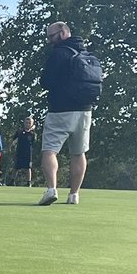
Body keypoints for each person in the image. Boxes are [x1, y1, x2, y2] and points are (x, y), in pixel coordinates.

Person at [38, 21, 101, 206]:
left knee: (49, 151)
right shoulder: (87, 54)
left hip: (60, 110)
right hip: (85, 110)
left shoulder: (59, 53)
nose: (50, 41)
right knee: (79, 152)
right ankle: (74, 195)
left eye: (52, 36)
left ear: (63, 32)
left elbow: (46, 81)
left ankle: (51, 189)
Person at [12, 116, 35, 187]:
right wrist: (11, 146)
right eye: (26, 123)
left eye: (29, 123)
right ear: (24, 123)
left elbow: (34, 142)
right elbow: (12, 139)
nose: (27, 124)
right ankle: (12, 181)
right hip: (19, 152)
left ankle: (29, 182)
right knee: (16, 167)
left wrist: (30, 130)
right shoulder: (20, 132)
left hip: (28, 153)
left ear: (31, 124)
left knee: (28, 168)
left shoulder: (32, 134)